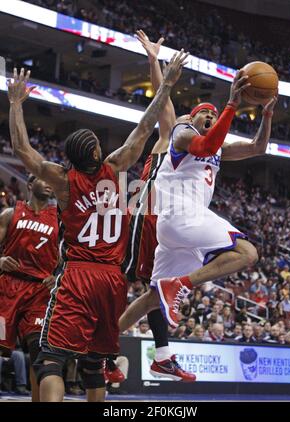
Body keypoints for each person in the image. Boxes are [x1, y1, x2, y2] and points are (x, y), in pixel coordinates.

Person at [8, 51, 188, 402]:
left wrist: (16, 104)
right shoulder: (115, 166)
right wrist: (166, 84)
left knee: (50, 361)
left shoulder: (63, 181)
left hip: (78, 274)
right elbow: (144, 127)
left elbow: (22, 149)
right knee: (93, 365)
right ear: (93, 153)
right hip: (112, 279)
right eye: (95, 142)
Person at [118, 63, 277, 330]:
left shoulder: (219, 148)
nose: (209, 117)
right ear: (190, 119)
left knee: (152, 299)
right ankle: (181, 284)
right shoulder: (182, 134)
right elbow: (206, 145)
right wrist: (231, 104)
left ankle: (102, 352)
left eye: (213, 116)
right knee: (248, 253)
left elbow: (258, 147)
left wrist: (268, 115)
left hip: (178, 228)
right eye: (203, 113)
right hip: (181, 214)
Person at [120, 30, 195, 382]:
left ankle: (162, 355)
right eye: (192, 121)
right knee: (120, 278)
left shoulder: (200, 155)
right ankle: (95, 340)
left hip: (165, 221)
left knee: (156, 289)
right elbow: (163, 102)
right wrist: (153, 60)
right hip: (145, 210)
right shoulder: (171, 137)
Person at [0, 175, 59, 401]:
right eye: (41, 178)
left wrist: (58, 276)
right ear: (29, 184)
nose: (48, 182)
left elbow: (70, 255)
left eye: (50, 179)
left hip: (39, 292)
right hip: (8, 288)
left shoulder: (59, 219)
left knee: (39, 353)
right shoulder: (10, 213)